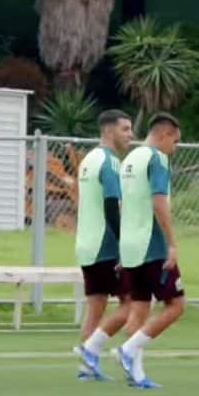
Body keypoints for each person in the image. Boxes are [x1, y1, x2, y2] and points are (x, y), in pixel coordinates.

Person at [114, 113, 186, 390]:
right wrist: (172, 243)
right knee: (177, 305)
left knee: (140, 308)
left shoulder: (129, 160)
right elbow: (159, 203)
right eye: (175, 141)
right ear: (164, 135)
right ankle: (128, 350)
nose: (175, 148)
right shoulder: (157, 159)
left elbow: (122, 205)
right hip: (151, 245)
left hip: (130, 246)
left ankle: (137, 373)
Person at [72, 109, 135, 381]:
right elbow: (112, 205)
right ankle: (90, 349)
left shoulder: (88, 159)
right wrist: (125, 245)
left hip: (86, 244)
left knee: (96, 306)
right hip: (105, 246)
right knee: (133, 304)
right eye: (125, 129)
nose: (131, 135)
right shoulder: (109, 162)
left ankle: (87, 367)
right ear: (109, 131)